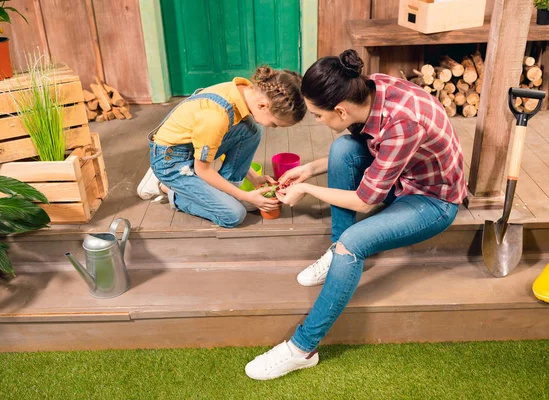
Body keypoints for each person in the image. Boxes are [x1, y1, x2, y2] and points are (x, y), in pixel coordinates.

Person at [245, 49, 467, 380]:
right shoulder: (365, 89)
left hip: (431, 200)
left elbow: (365, 202)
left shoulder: (403, 123)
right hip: (402, 176)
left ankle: (302, 348)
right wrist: (309, 170)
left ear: (340, 110)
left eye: (318, 116)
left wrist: (307, 190)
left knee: (353, 242)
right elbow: (373, 156)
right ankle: (336, 252)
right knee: (342, 149)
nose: (317, 121)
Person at [138, 67, 307, 228]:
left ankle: (225, 191)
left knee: (252, 130)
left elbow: (224, 141)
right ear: (263, 105)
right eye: (275, 124)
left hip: (192, 147)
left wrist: (255, 178)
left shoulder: (245, 92)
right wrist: (245, 196)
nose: (273, 128)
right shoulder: (216, 117)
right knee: (233, 215)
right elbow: (203, 169)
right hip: (171, 161)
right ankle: (165, 187)